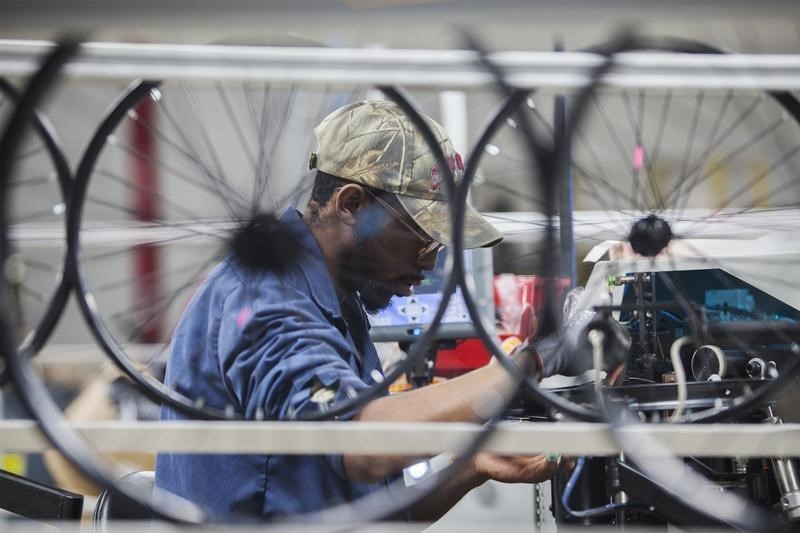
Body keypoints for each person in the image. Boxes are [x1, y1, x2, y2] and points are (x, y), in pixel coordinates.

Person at [155, 100, 592, 523]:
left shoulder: (337, 303)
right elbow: (362, 447)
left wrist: (472, 466)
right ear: (351, 205)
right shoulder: (266, 299)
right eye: (424, 239)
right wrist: (527, 363)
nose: (430, 262)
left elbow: (374, 510)